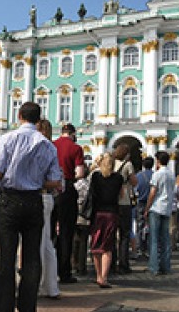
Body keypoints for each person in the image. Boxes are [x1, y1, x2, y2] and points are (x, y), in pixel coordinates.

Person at [0, 102, 62, 312]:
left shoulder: (8, 139)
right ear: (38, 119)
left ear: (19, 115)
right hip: (34, 201)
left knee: (7, 259)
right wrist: (35, 180)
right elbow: (55, 181)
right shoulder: (48, 146)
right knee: (32, 259)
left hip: (10, 201)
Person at [52, 123, 85, 284]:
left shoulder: (52, 145)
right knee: (66, 232)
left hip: (52, 188)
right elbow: (80, 173)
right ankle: (64, 271)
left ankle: (49, 269)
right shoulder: (76, 148)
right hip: (67, 188)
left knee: (50, 231)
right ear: (72, 133)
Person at [88, 152, 124, 288]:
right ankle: (104, 277)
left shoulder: (96, 177)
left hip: (97, 213)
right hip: (111, 213)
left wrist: (95, 164)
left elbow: (90, 191)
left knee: (96, 246)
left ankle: (98, 275)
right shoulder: (118, 178)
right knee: (107, 247)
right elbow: (121, 195)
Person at [35, 119, 60, 299]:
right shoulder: (52, 149)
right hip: (48, 197)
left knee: (38, 244)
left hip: (40, 196)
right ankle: (51, 287)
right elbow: (59, 181)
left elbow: (55, 181)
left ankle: (37, 284)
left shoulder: (41, 149)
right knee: (47, 245)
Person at [143, 151, 176, 275]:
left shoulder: (157, 174)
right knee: (165, 238)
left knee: (154, 239)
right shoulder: (171, 174)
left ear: (158, 161)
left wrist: (147, 207)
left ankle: (153, 266)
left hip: (156, 207)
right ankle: (165, 266)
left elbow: (153, 192)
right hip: (167, 208)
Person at [112, 144, 137, 274]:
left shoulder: (111, 163)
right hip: (124, 201)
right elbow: (134, 181)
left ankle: (111, 263)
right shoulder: (127, 165)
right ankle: (123, 264)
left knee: (112, 234)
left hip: (112, 202)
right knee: (124, 234)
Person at [134, 157, 154, 256]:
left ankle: (140, 248)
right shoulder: (155, 175)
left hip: (141, 203)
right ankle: (151, 249)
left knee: (140, 226)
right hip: (153, 204)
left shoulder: (139, 175)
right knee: (152, 226)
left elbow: (135, 190)